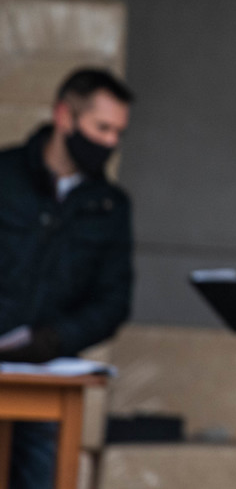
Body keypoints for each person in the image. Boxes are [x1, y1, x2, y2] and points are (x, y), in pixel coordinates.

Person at [0, 67, 135, 489]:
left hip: (47, 382)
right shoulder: (5, 175)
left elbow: (113, 301)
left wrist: (55, 339)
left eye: (118, 132)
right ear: (65, 116)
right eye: (101, 127)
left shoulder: (110, 206)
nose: (110, 142)